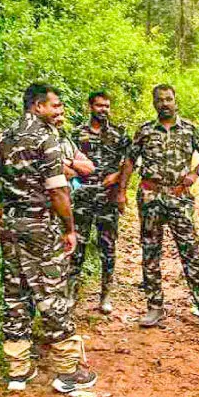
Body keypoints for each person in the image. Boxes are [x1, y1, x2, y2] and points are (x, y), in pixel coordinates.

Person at [0, 83, 97, 393]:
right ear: (37, 106)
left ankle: (19, 370)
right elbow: (57, 190)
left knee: (15, 293)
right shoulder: (46, 140)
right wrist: (69, 227)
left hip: (12, 227)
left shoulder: (1, 138)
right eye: (55, 106)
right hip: (41, 227)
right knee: (51, 291)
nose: (60, 111)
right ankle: (69, 371)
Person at [117, 84, 199, 332]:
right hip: (151, 196)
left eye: (169, 99)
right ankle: (154, 306)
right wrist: (121, 191)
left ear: (176, 102)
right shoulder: (144, 131)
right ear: (154, 103)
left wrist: (195, 173)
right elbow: (130, 161)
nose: (165, 103)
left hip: (178, 197)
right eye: (160, 100)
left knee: (191, 253)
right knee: (151, 252)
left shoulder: (189, 129)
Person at [69, 91, 131, 314]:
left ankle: (105, 295)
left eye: (107, 106)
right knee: (77, 246)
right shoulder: (76, 133)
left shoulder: (119, 133)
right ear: (90, 107)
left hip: (108, 198)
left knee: (107, 246)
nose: (103, 109)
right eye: (99, 106)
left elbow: (131, 161)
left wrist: (116, 178)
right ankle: (72, 294)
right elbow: (66, 161)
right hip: (82, 197)